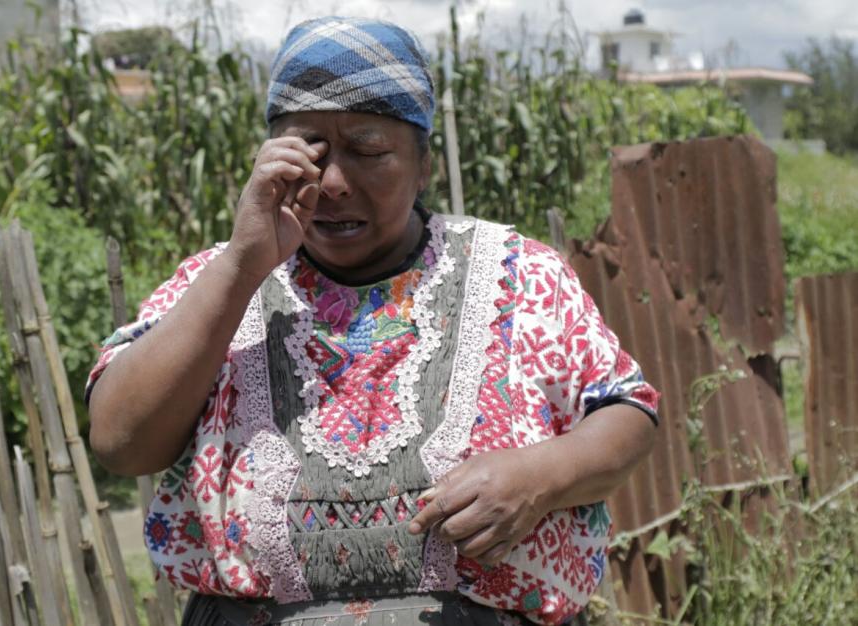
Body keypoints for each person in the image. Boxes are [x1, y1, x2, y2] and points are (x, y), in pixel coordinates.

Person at [87, 16, 659, 626]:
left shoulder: (521, 275)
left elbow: (628, 413)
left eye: (368, 152)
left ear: (423, 165)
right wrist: (241, 265)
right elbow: (122, 442)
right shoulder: (219, 283)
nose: (332, 183)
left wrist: (540, 475)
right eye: (306, 153)